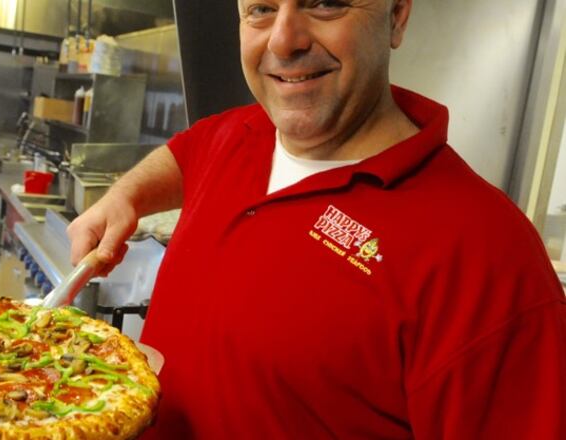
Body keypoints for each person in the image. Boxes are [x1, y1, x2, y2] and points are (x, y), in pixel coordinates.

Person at [67, 0, 566, 438]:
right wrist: (124, 198)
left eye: (326, 3)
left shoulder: (489, 255)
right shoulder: (240, 132)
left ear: (396, 15)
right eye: (261, 9)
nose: (284, 41)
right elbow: (185, 155)